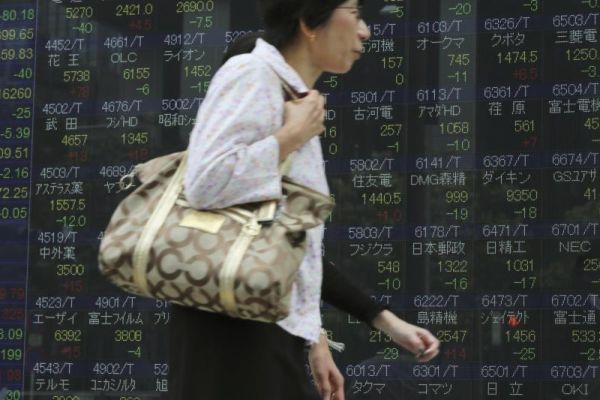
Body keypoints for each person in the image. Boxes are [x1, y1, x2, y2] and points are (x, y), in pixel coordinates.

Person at [170, 1, 440, 399]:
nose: (365, 31)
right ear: (310, 24)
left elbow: (291, 244)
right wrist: (289, 137)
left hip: (262, 325)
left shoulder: (295, 98)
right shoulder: (250, 72)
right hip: (229, 334)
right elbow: (206, 183)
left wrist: (323, 334)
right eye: (354, 14)